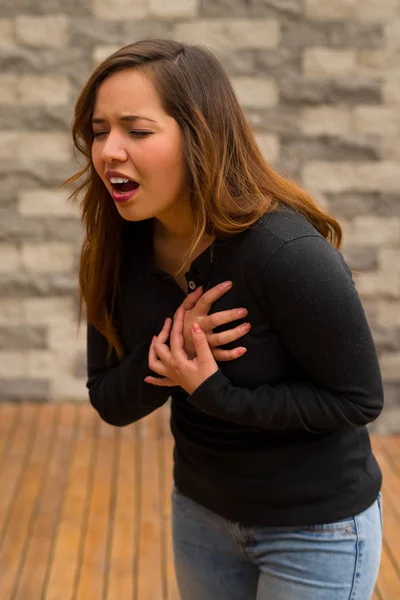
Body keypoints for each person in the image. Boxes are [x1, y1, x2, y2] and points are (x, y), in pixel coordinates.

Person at [68, 38, 384, 599]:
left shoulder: (284, 253)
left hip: (315, 531)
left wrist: (215, 392)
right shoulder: (117, 247)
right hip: (201, 516)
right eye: (99, 130)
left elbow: (358, 401)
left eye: (137, 131)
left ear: (199, 137)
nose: (108, 151)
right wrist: (165, 357)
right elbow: (110, 400)